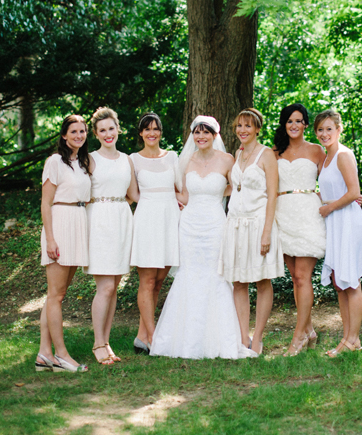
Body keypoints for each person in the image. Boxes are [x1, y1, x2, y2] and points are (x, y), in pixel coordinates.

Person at [151, 116, 250, 359]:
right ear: (193, 136)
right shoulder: (186, 160)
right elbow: (185, 195)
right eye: (197, 132)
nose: (201, 136)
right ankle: (182, 340)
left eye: (206, 132)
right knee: (189, 275)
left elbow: (237, 186)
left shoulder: (228, 160)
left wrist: (219, 193)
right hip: (189, 226)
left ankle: (221, 339)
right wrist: (167, 197)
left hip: (216, 224)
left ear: (215, 135)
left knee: (215, 275)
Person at [218, 108, 283, 356]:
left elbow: (272, 195)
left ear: (257, 128)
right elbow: (235, 188)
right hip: (235, 223)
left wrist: (266, 233)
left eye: (248, 126)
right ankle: (243, 336)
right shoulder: (239, 153)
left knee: (262, 280)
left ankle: (258, 337)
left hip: (258, 224)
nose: (242, 130)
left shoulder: (266, 155)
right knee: (239, 282)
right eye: (239, 126)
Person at [315, 108, 362, 357]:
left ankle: (352, 339)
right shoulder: (326, 157)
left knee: (351, 282)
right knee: (340, 283)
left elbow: (353, 191)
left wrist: (329, 208)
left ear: (339, 130)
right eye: (320, 129)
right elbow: (331, 190)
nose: (324, 133)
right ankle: (348, 338)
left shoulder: (343, 154)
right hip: (334, 221)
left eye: (329, 128)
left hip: (347, 222)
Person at [36, 115, 91, 373]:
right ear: (64, 135)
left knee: (58, 295)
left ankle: (44, 354)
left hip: (77, 223)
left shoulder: (81, 163)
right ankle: (61, 356)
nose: (79, 135)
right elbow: (46, 202)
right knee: (55, 295)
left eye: (82, 131)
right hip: (59, 225)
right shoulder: (55, 162)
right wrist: (50, 238)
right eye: (74, 131)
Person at [272, 104, 326, 356]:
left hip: (307, 213)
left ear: (306, 124)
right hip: (283, 215)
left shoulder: (317, 151)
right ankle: (310, 330)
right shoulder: (275, 152)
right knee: (295, 277)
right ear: (284, 124)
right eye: (289, 121)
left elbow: (329, 180)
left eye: (299, 120)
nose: (294, 125)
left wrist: (350, 197)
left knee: (303, 277)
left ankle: (297, 338)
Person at [86, 107, 136, 366]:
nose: (108, 134)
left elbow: (135, 194)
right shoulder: (90, 158)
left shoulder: (127, 159)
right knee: (104, 287)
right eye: (102, 130)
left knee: (114, 287)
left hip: (121, 219)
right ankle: (97, 343)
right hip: (99, 222)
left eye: (111, 128)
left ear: (118, 128)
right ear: (96, 133)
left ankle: (106, 341)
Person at [129, 113, 180, 354]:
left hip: (170, 220)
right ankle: (152, 336)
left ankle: (141, 336)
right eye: (147, 129)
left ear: (161, 131)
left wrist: (175, 202)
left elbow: (181, 189)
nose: (152, 133)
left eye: (156, 128)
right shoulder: (133, 160)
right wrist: (153, 202)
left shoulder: (172, 157)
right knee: (147, 281)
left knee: (159, 281)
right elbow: (133, 194)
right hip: (148, 220)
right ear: (141, 133)